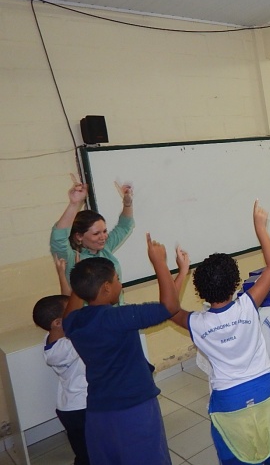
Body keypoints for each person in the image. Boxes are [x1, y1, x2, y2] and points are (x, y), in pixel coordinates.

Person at [163, 202, 270, 465]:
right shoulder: (248, 305)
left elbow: (168, 307)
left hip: (227, 400)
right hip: (264, 388)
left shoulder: (197, 323)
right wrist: (260, 228)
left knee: (237, 454)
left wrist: (181, 272)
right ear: (236, 283)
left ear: (199, 291)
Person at [62, 235, 183, 465]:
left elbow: (73, 307)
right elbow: (170, 306)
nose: (121, 284)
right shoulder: (118, 317)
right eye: (117, 279)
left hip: (98, 413)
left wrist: (80, 279)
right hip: (134, 409)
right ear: (106, 288)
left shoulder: (73, 322)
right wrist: (159, 262)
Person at [32, 269, 89, 465]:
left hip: (71, 407)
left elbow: (67, 304)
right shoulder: (69, 345)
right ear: (58, 322)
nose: (77, 313)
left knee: (85, 452)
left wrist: (64, 276)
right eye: (72, 312)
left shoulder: (53, 338)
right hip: (81, 409)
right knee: (89, 454)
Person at [50, 174, 134, 305]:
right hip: (93, 317)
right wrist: (74, 204)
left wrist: (127, 203)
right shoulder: (71, 258)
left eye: (104, 231)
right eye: (96, 234)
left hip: (118, 311)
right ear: (79, 236)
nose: (103, 237)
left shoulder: (105, 248)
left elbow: (124, 226)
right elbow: (58, 239)